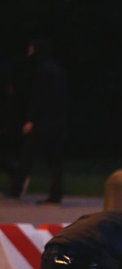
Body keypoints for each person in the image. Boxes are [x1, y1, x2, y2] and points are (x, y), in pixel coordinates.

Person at [16, 38, 67, 204]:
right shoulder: (56, 69)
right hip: (57, 120)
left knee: (29, 154)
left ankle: (17, 188)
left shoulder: (43, 70)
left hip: (44, 122)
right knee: (54, 160)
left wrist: (31, 119)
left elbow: (40, 97)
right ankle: (56, 194)